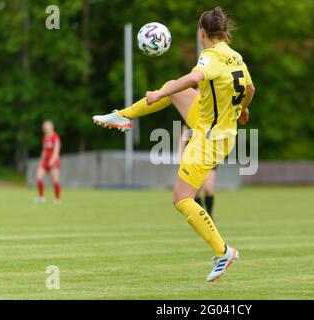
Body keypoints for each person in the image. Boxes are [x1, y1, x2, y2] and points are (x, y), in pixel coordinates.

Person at [93, 7, 255, 281]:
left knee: (182, 198)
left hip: (209, 138)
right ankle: (123, 116)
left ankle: (223, 251)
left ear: (202, 32)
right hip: (214, 125)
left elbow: (193, 79)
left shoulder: (211, 56)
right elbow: (249, 89)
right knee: (173, 86)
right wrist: (243, 110)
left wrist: (158, 95)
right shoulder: (235, 55)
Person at [179, 120, 217, 218]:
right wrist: (181, 155)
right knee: (196, 192)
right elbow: (184, 133)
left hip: (209, 155)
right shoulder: (191, 111)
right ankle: (202, 218)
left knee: (208, 188)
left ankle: (210, 215)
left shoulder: (213, 112)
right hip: (192, 155)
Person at [36, 120, 62, 204]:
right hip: (45, 161)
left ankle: (57, 199)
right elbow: (44, 150)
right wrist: (41, 160)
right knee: (39, 177)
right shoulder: (45, 137)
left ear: (51, 126)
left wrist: (52, 160)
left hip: (53, 161)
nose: (45, 127)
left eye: (47, 125)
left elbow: (56, 150)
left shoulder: (55, 137)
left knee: (55, 180)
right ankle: (41, 197)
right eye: (44, 126)